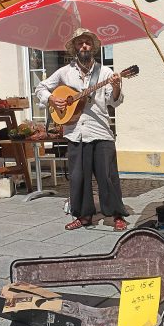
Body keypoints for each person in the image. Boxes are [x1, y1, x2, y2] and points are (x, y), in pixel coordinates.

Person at [35, 28, 128, 232]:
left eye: (87, 42)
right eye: (80, 43)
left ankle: (116, 215)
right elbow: (40, 88)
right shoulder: (64, 72)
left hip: (101, 131)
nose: (84, 46)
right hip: (75, 132)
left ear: (93, 47)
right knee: (79, 177)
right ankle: (83, 215)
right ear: (75, 48)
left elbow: (115, 101)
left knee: (108, 176)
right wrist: (52, 98)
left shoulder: (105, 73)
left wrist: (117, 86)